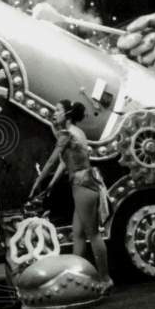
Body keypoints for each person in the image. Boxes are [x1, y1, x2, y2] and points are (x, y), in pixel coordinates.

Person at [31, 100, 112, 288]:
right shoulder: (75, 132)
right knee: (78, 234)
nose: (54, 112)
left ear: (67, 114)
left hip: (83, 184)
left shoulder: (68, 135)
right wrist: (50, 184)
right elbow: (63, 162)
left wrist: (38, 181)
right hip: (82, 183)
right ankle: (78, 276)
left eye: (58, 110)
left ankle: (106, 278)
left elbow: (52, 161)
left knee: (93, 234)